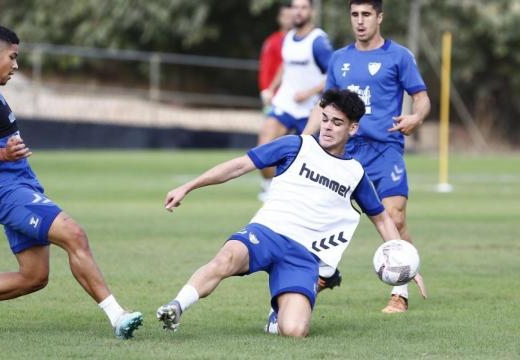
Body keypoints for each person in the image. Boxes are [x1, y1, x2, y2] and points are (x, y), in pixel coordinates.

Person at [0, 26, 143, 339]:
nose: (16, 65)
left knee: (34, 277)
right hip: (6, 192)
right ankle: (118, 317)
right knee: (74, 234)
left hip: (21, 186)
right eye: (13, 56)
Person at [156, 89, 423, 338]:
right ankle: (176, 307)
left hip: (303, 255)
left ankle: (278, 313)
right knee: (226, 258)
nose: (328, 127)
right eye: (325, 119)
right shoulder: (295, 146)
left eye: (337, 123)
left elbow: (381, 218)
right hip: (267, 232)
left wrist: (402, 256)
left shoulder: (355, 173)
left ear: (353, 128)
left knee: (294, 330)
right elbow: (238, 166)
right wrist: (189, 186)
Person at [302, 0, 431, 314]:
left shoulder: (399, 56)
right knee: (323, 220)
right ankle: (325, 272)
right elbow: (324, 107)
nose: (360, 21)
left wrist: (416, 118)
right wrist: (303, 143)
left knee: (395, 218)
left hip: (386, 150)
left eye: (366, 15)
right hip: (347, 153)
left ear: (379, 17)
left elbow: (422, 98)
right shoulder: (339, 59)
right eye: (355, 15)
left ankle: (400, 293)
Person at [257, 0, 333, 202]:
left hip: (310, 110)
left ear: (312, 12)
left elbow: (333, 76)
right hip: (286, 105)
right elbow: (285, 64)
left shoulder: (318, 42)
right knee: (263, 150)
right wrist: (271, 88)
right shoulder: (289, 37)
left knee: (310, 163)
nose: (298, 12)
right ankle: (270, 190)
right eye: (295, 7)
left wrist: (308, 92)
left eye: (303, 8)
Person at [258, 2, 293, 111]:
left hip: (296, 97)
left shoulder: (302, 41)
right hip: (276, 97)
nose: (288, 19)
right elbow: (265, 68)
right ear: (279, 18)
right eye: (285, 16)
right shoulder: (272, 42)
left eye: (290, 16)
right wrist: (266, 91)